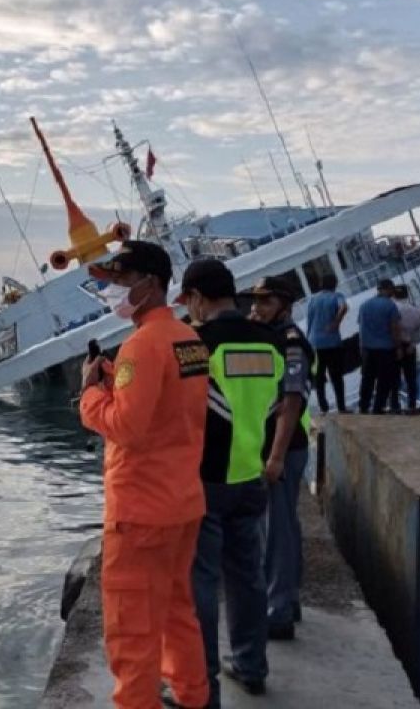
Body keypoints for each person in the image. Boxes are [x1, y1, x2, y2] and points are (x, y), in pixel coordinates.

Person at [79, 241, 211, 709]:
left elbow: (128, 428)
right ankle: (193, 698)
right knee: (177, 612)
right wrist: (118, 380)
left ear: (151, 284)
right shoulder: (188, 339)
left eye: (122, 281)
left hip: (140, 512)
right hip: (182, 503)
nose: (115, 291)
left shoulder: (140, 345)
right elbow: (171, 405)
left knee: (131, 627)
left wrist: (90, 396)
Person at [176, 259, 293, 706]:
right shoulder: (271, 342)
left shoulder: (195, 344)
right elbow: (282, 402)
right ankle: (251, 666)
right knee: (247, 576)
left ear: (198, 297)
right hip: (253, 475)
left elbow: (179, 410)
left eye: (188, 300)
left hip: (206, 479)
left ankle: (200, 685)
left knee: (200, 582)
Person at [245, 275, 313, 642]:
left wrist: (275, 458)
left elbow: (291, 403)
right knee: (284, 526)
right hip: (277, 445)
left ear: (284, 306)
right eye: (255, 301)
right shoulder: (269, 339)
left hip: (285, 447)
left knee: (276, 532)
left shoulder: (291, 345)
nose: (257, 308)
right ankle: (289, 600)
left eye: (265, 302)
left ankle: (278, 611)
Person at [305, 274, 348, 413]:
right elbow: (344, 307)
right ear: (334, 284)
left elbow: (309, 322)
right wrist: (336, 322)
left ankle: (324, 409)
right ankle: (341, 408)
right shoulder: (336, 296)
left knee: (319, 377)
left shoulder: (312, 299)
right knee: (336, 377)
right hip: (331, 343)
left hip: (314, 344)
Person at [357, 279, 401, 413]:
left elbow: (361, 330)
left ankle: (363, 407)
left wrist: (362, 350)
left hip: (368, 349)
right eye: (392, 289)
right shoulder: (390, 306)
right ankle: (378, 408)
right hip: (385, 350)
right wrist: (398, 347)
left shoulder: (364, 306)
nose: (393, 292)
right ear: (387, 289)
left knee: (367, 379)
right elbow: (394, 329)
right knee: (384, 380)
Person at [389, 284, 420, 414]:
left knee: (394, 379)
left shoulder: (390, 310)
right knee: (411, 378)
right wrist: (413, 344)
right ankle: (412, 405)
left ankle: (395, 406)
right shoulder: (417, 311)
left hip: (394, 348)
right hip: (409, 346)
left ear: (394, 295)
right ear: (407, 294)